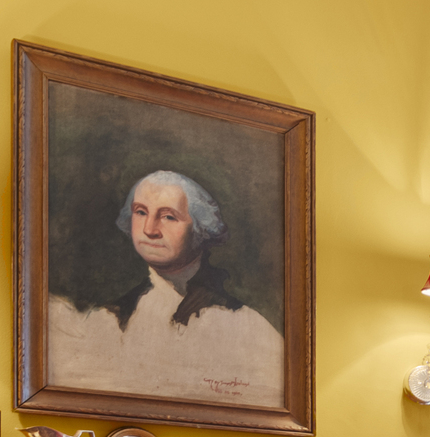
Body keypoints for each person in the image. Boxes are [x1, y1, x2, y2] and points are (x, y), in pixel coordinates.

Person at [44, 170, 284, 409]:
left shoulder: (245, 326)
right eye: (141, 212)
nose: (150, 229)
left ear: (201, 228)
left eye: (169, 217)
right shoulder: (110, 318)